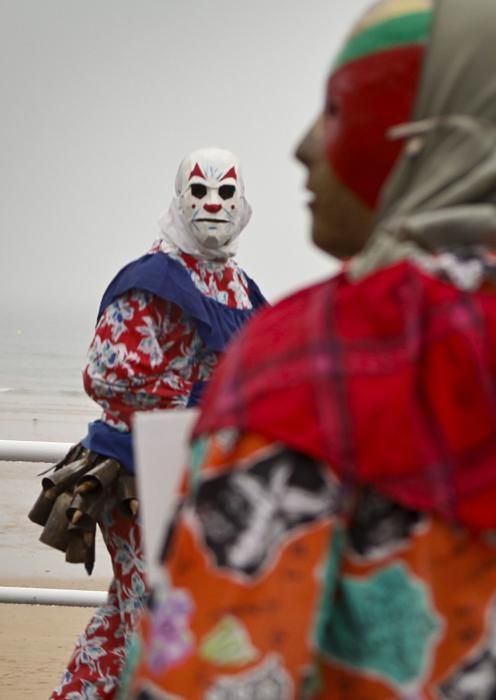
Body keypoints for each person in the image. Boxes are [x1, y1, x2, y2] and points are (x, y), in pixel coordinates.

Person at [123, 0, 496, 698]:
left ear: (435, 134)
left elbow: (216, 666)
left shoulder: (315, 356)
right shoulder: (163, 283)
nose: (301, 147)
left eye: (335, 109)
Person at [28, 147, 267, 700]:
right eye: (200, 192)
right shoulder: (152, 277)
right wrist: (205, 401)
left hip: (205, 477)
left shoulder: (237, 284)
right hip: (143, 479)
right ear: (180, 198)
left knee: (130, 615)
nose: (213, 204)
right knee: (160, 618)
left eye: (226, 192)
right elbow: (108, 375)